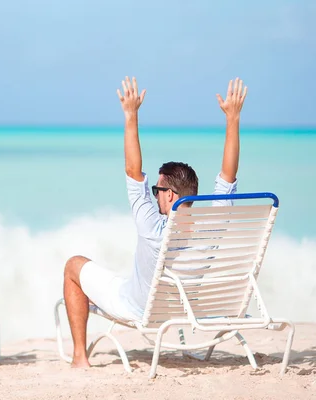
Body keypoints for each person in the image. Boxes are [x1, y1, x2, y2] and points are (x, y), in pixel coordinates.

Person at [62, 77, 248, 368]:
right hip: (182, 310)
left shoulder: (152, 226)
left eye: (157, 191)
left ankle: (79, 358)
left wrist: (130, 114)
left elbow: (132, 170)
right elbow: (227, 176)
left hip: (138, 308)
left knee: (74, 265)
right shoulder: (213, 225)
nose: (154, 195)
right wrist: (233, 118)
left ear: (170, 195)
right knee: (123, 277)